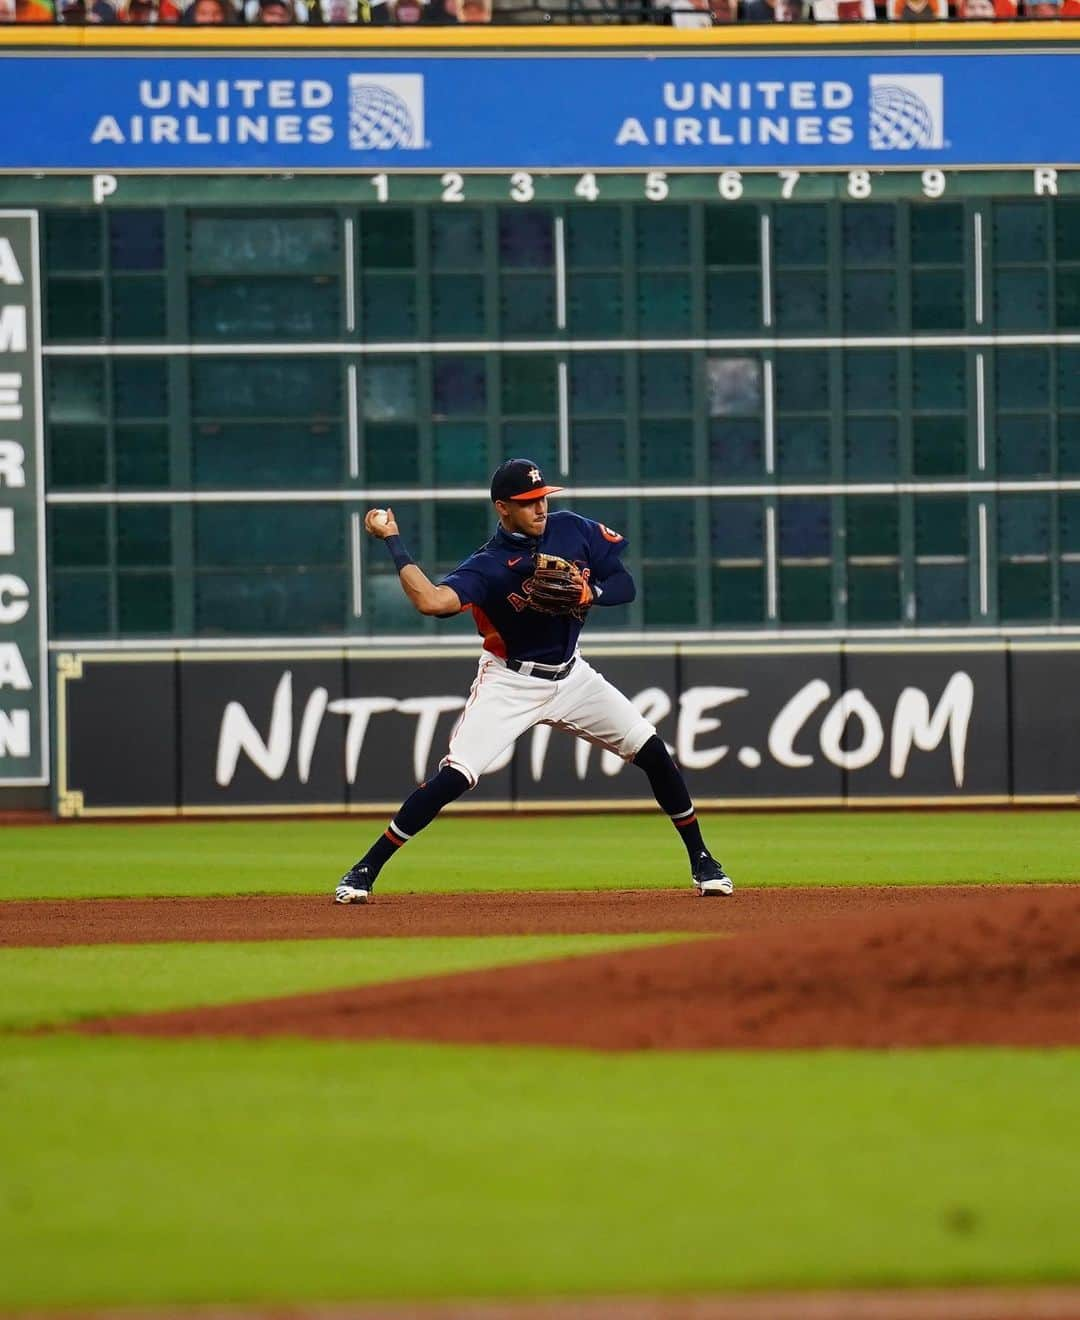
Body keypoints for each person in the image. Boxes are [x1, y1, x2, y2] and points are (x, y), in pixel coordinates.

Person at [335, 458, 734, 905]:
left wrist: (591, 593)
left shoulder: (573, 529)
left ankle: (703, 861)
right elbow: (432, 602)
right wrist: (393, 542)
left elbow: (624, 584)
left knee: (655, 754)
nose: (540, 507)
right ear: (502, 508)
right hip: (510, 682)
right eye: (527, 503)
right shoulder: (487, 566)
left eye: (543, 497)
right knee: (455, 777)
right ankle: (364, 869)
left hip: (573, 675)